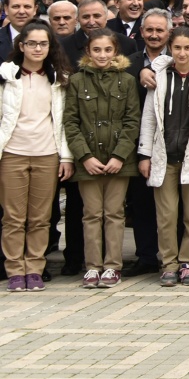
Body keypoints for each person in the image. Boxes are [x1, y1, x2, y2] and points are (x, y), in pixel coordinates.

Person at [138, 26, 189, 287]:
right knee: (166, 215)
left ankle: (188, 263)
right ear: (169, 48)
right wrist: (144, 153)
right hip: (164, 154)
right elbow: (150, 116)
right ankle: (168, 264)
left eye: (187, 48)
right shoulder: (159, 75)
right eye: (177, 48)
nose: (182, 53)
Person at [64, 29, 142, 288]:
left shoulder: (127, 81)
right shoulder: (76, 80)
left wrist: (120, 156)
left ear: (115, 52)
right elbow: (71, 122)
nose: (102, 55)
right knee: (91, 214)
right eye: (96, 50)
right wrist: (84, 156)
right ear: (88, 51)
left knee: (114, 213)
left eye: (108, 50)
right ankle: (93, 266)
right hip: (89, 161)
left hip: (119, 161)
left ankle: (112, 266)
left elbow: (133, 121)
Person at [0, 22, 72, 292]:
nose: (38, 48)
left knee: (41, 218)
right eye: (32, 43)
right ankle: (15, 270)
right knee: (14, 218)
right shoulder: (6, 76)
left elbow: (64, 122)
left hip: (47, 155)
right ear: (21, 46)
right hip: (12, 154)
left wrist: (66, 157)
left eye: (44, 44)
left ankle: (35, 267)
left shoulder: (58, 78)